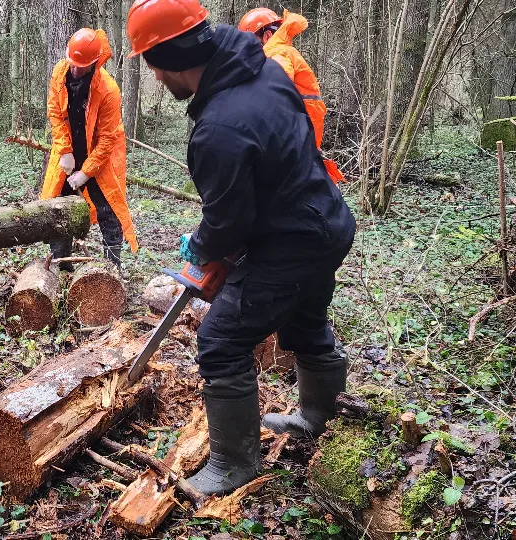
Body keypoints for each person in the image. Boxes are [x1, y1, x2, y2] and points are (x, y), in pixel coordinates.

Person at [125, 0, 356, 495]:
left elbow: (230, 220)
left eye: (153, 66)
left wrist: (205, 245)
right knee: (306, 320)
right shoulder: (265, 70)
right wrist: (218, 236)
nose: (157, 79)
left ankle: (233, 463)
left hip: (293, 241)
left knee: (220, 341)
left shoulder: (220, 128)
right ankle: (321, 419)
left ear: (169, 56)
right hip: (327, 219)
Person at [42, 28, 138, 271]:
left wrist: (86, 172)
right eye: (72, 63)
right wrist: (64, 150)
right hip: (69, 151)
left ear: (94, 63)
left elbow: (108, 138)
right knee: (59, 208)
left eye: (81, 66)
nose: (75, 69)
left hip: (99, 154)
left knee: (109, 209)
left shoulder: (108, 90)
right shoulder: (59, 73)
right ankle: (60, 266)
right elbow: (55, 113)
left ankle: (112, 268)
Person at [239, 7, 345, 184]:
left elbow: (275, 90)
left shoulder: (278, 54)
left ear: (267, 36)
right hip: (299, 136)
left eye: (251, 43)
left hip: (294, 139)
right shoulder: (282, 52)